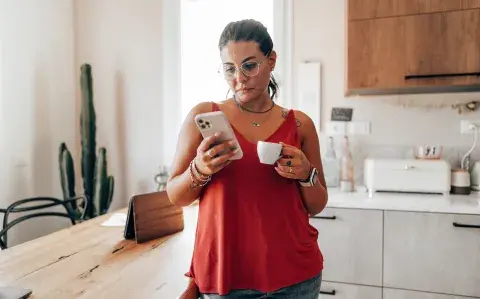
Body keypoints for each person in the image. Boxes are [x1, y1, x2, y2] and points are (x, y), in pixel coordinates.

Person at [167, 19, 328, 299]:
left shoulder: (300, 124)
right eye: (229, 69)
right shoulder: (202, 117)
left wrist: (306, 174)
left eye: (249, 66)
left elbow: (318, 204)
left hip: (297, 278)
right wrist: (200, 169)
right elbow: (175, 195)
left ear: (272, 60)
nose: (239, 78)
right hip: (225, 278)